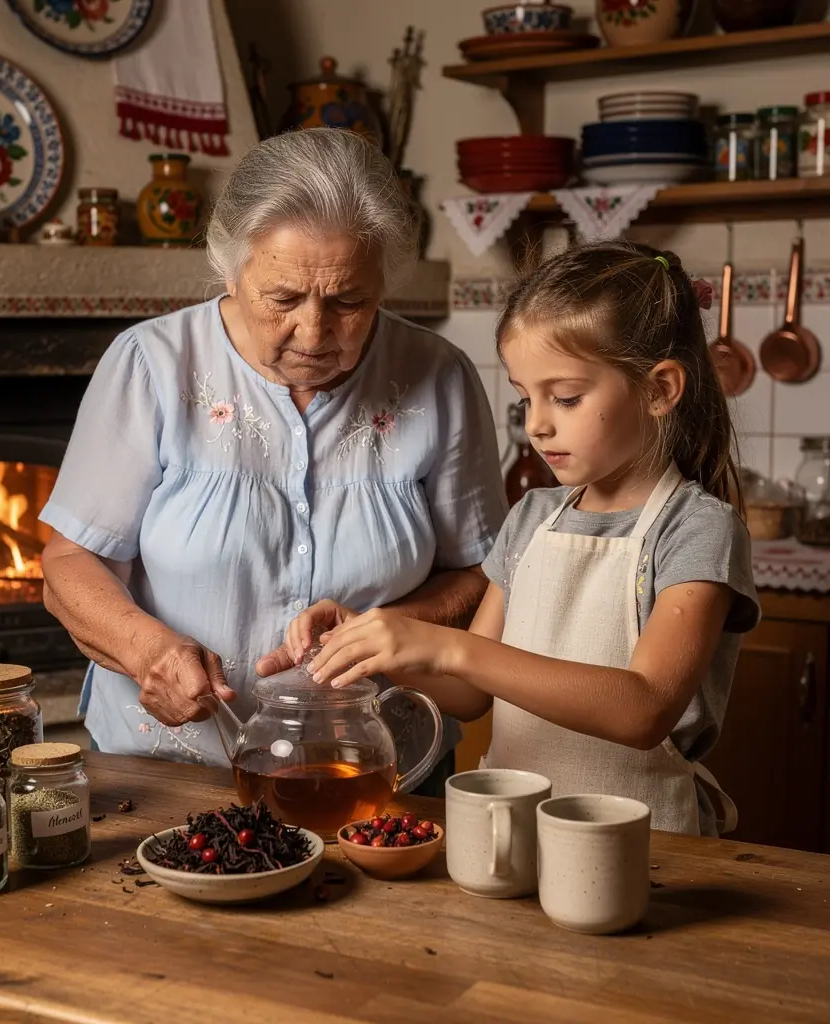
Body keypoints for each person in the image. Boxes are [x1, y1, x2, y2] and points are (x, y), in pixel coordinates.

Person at [38, 127, 508, 792]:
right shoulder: (151, 364)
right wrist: (149, 652)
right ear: (231, 269)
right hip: (171, 773)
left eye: (350, 302)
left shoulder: (440, 377)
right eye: (283, 298)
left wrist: (387, 631)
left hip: (379, 773)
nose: (315, 333)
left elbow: (479, 573)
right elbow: (69, 563)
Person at [291, 241, 760, 835]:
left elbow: (644, 708)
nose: (537, 423)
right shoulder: (532, 517)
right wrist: (379, 642)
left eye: (565, 397)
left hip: (643, 849)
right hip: (509, 832)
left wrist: (446, 645)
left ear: (660, 389)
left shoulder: (697, 529)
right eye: (524, 397)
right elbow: (467, 696)